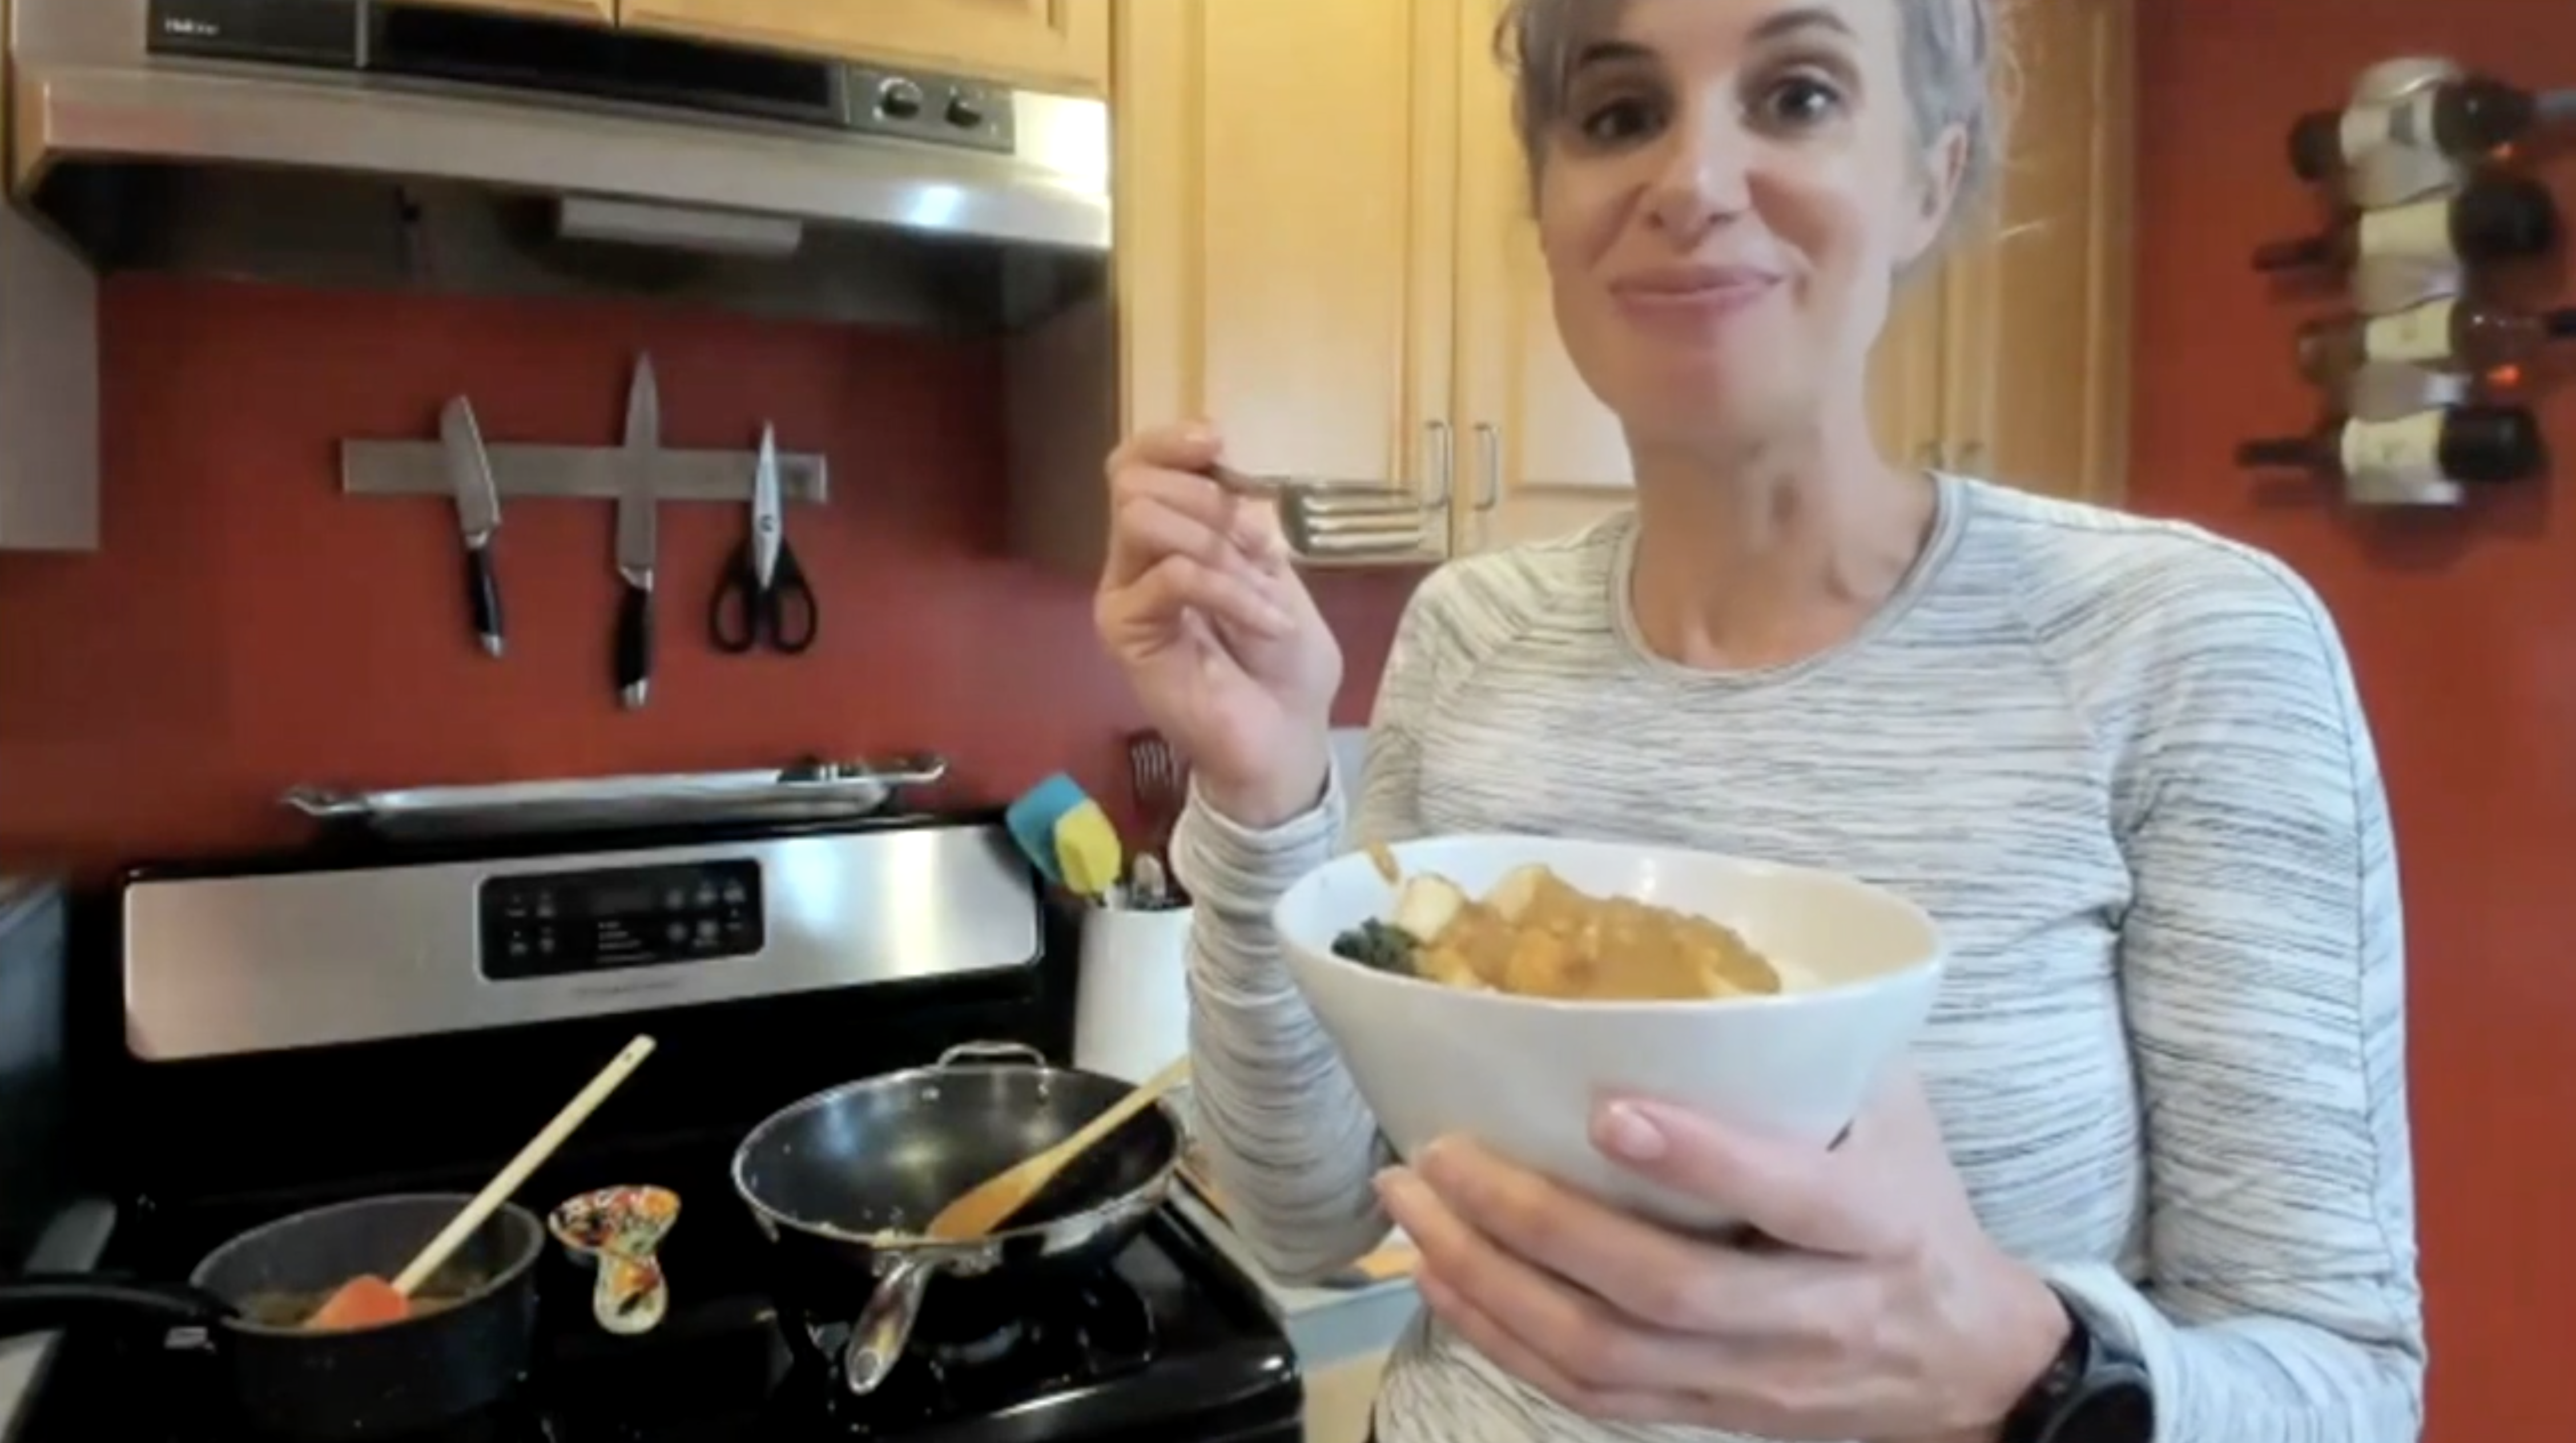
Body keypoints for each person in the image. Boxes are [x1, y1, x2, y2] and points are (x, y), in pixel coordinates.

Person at [1092, 0, 2427, 1439]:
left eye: (1795, 95)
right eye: (1617, 114)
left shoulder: (2187, 649)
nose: (1693, 179)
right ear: (1549, 202)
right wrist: (1265, 782)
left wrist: (2024, 1374)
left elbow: (2346, 1382)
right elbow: (1304, 1215)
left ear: (1931, 173)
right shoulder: (1469, 638)